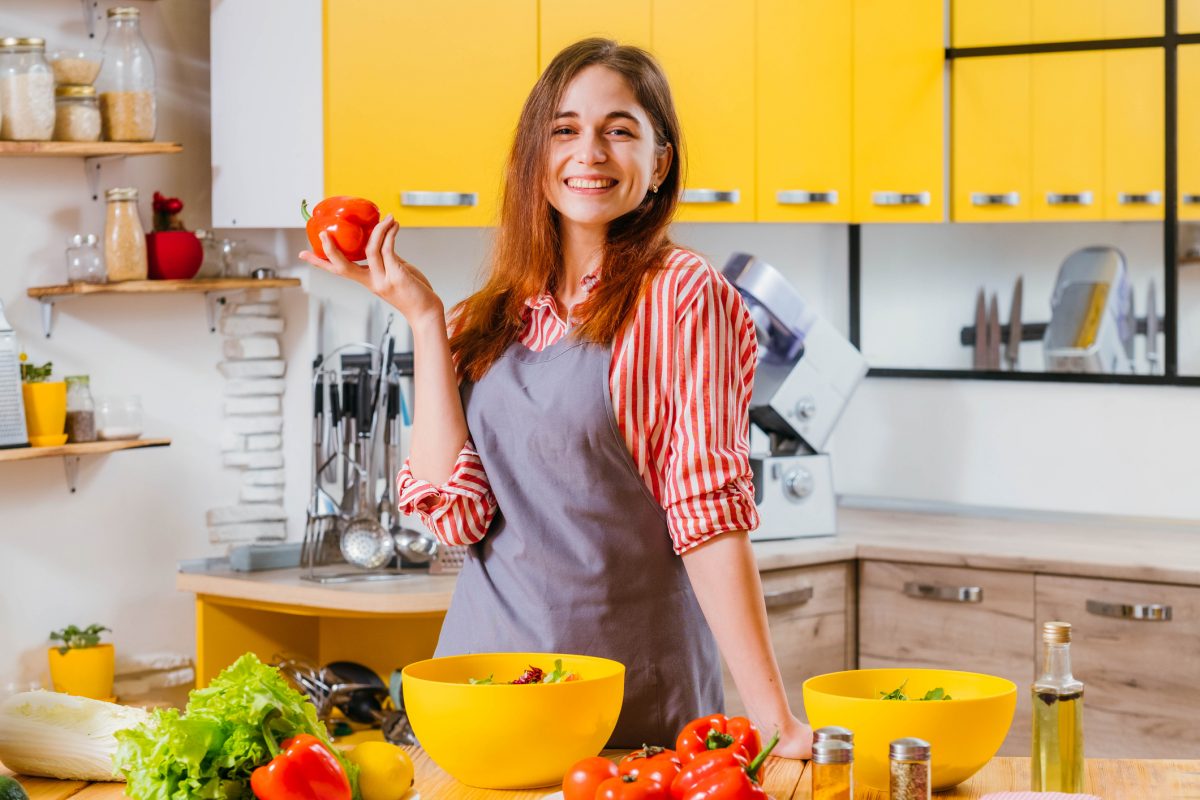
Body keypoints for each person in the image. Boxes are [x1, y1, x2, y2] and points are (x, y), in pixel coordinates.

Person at [300, 38, 812, 758]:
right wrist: (421, 318)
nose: (590, 152)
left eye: (620, 130)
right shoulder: (490, 315)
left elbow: (708, 519)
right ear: (533, 156)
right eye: (565, 129)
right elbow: (457, 515)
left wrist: (773, 719)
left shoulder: (681, 297)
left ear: (659, 163)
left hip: (628, 707)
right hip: (484, 705)